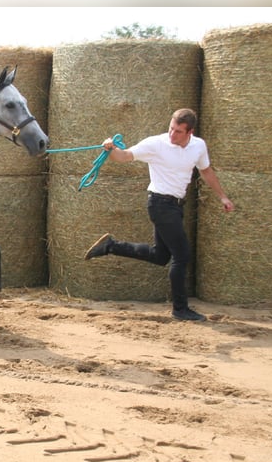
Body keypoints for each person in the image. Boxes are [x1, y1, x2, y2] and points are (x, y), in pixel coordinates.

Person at [83, 108, 234, 322]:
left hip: (176, 206)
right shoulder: (156, 144)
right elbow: (125, 156)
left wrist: (223, 197)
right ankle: (180, 309)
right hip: (160, 204)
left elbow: (206, 171)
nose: (172, 134)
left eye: (179, 132)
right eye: (171, 128)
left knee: (160, 256)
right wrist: (110, 148)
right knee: (182, 256)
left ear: (190, 132)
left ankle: (110, 246)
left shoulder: (198, 146)